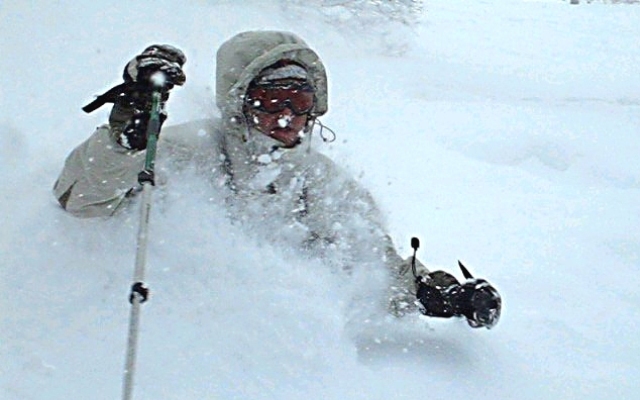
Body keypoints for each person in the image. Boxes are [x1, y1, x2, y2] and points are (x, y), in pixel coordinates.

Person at [52, 31, 501, 328]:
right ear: (239, 102)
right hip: (180, 339)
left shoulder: (323, 181)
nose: (287, 116)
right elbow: (82, 202)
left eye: (300, 100)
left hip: (273, 357)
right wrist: (126, 140)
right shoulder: (190, 150)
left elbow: (369, 262)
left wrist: (437, 292)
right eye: (269, 100)